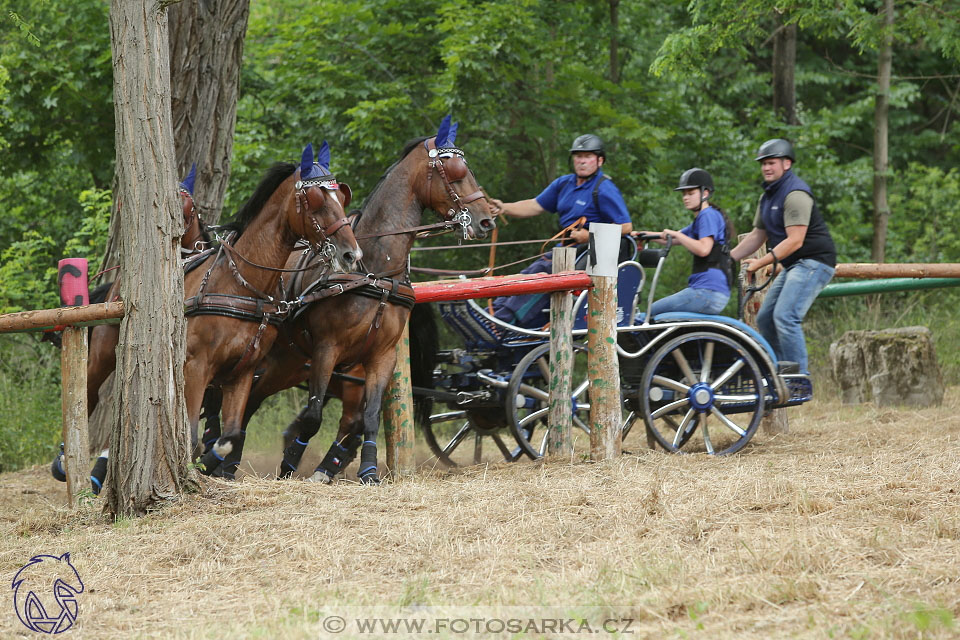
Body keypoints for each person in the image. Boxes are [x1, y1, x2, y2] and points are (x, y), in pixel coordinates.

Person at [489, 134, 633, 327]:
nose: (581, 161)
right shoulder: (564, 184)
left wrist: (588, 236)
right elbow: (534, 205)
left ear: (600, 160)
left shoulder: (604, 188)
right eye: (577, 156)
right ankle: (492, 312)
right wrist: (504, 207)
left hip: (587, 257)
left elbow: (626, 227)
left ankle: (502, 322)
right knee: (530, 273)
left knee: (543, 280)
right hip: (562, 251)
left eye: (587, 156)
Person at [730, 138, 836, 373]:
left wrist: (760, 263)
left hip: (814, 262)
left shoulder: (795, 193)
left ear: (786, 164)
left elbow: (795, 241)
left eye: (771, 163)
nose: (766, 168)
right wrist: (727, 258)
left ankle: (798, 377)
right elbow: (758, 235)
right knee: (766, 319)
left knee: (786, 316)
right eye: (763, 164)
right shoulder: (767, 196)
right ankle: (779, 373)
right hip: (794, 265)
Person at [643, 168, 734, 317]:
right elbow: (669, 238)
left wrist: (675, 234)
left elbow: (704, 249)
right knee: (653, 315)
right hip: (710, 294)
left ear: (705, 193)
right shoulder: (701, 220)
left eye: (690, 193)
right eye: (684, 194)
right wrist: (639, 235)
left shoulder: (707, 215)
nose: (685, 197)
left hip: (707, 293)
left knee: (647, 314)